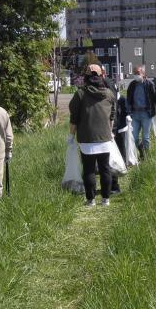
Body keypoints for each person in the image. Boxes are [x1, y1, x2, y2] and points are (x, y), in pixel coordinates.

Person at [68, 64, 116, 206]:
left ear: (86, 77)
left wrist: (71, 135)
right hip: (105, 138)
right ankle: (106, 199)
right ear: (102, 76)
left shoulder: (80, 94)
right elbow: (112, 116)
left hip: (87, 138)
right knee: (105, 169)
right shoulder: (108, 93)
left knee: (88, 169)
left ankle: (91, 200)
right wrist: (110, 132)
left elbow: (74, 118)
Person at [126, 65, 156, 158]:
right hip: (134, 114)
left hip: (146, 114)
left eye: (138, 73)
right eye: (134, 73)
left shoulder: (149, 84)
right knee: (133, 137)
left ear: (143, 74)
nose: (136, 75)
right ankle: (140, 148)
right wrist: (127, 112)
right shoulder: (132, 85)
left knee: (145, 138)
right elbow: (128, 100)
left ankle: (146, 156)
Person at [103, 68, 127, 194]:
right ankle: (110, 185)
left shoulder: (108, 84)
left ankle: (113, 185)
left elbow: (113, 106)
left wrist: (113, 127)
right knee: (106, 157)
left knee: (109, 156)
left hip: (110, 126)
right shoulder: (106, 84)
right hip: (107, 126)